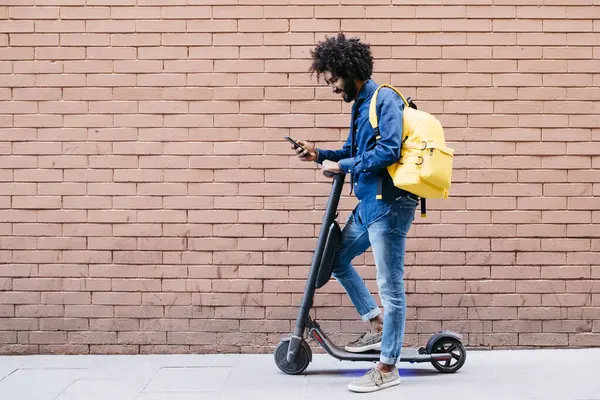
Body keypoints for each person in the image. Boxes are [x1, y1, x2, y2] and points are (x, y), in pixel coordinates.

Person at [292, 33, 419, 393]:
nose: (332, 86)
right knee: (334, 261)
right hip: (368, 204)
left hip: (390, 205)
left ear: (350, 71)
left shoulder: (385, 99)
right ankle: (376, 324)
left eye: (333, 79)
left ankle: (388, 366)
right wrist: (318, 155)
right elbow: (352, 149)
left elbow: (390, 151)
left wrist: (342, 164)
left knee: (391, 288)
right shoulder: (361, 104)